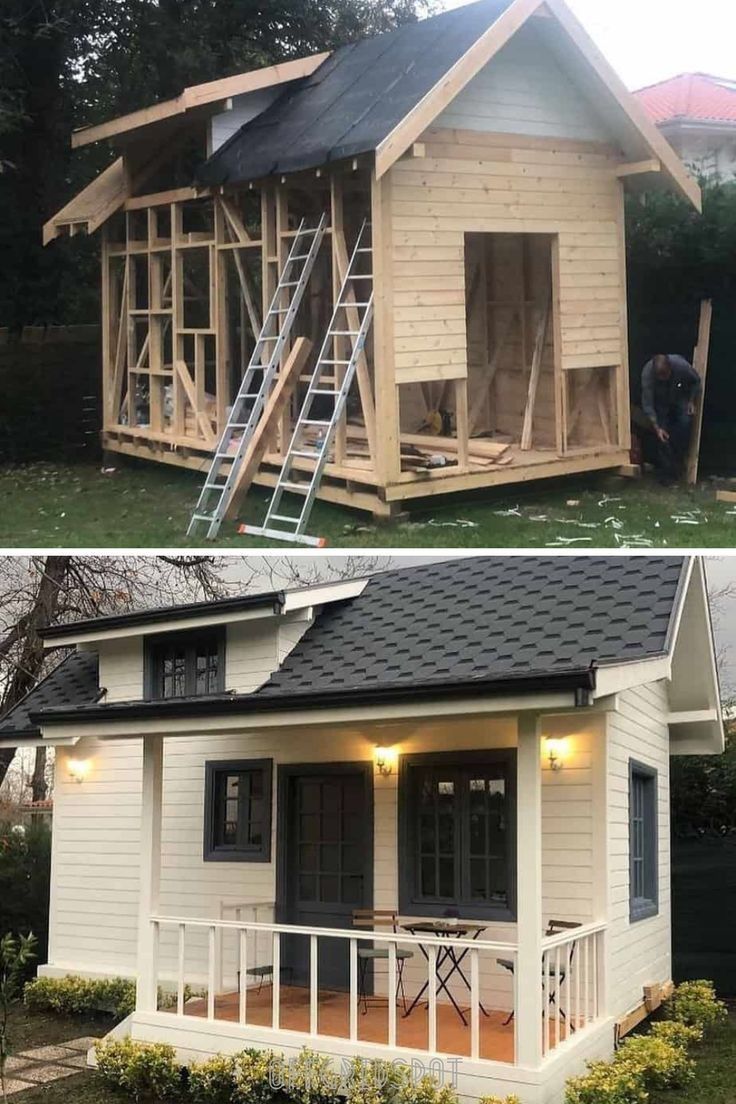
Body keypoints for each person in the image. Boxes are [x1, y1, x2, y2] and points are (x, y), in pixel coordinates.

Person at [640, 353, 702, 483]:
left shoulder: (681, 366)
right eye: (660, 377)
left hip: (680, 395)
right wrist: (657, 427)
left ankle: (680, 460)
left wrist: (691, 401)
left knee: (685, 421)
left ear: (670, 367)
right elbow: (648, 404)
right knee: (662, 435)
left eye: (666, 375)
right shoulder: (647, 375)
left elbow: (696, 382)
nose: (663, 378)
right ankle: (667, 474)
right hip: (660, 401)